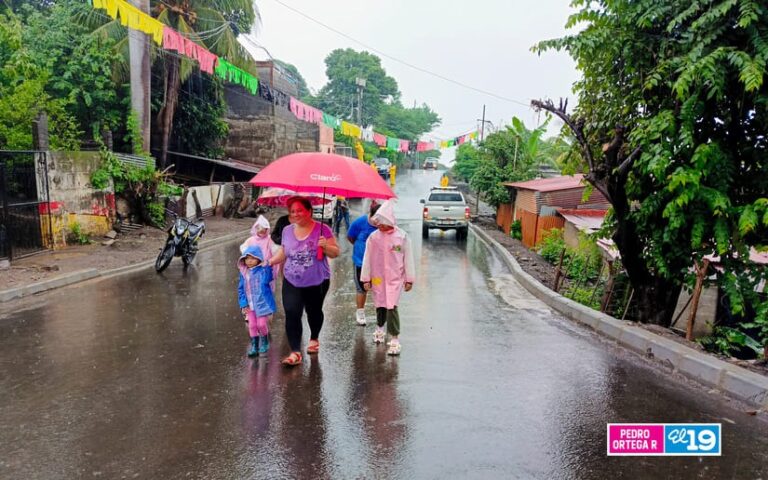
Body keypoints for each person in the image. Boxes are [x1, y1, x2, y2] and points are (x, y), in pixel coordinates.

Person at [267, 197, 340, 366]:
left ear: (309, 211)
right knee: (292, 312)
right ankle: (295, 352)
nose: (296, 214)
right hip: (291, 279)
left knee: (314, 312)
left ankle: (314, 338)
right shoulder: (286, 231)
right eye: (292, 211)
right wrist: (269, 261)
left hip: (317, 280)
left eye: (300, 210)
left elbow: (335, 253)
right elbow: (283, 253)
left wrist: (325, 247)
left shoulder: (323, 229)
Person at [360, 200, 415, 356]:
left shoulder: (401, 237)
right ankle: (379, 328)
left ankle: (395, 337)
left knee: (392, 306)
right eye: (378, 223)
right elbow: (367, 258)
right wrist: (366, 278)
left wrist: (409, 279)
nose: (380, 226)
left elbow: (408, 258)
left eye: (382, 222)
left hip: (395, 278)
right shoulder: (374, 237)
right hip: (377, 277)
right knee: (380, 303)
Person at [346, 201, 382, 325]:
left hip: (378, 265)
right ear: (371, 215)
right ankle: (360, 313)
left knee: (378, 287)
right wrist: (360, 248)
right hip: (361, 263)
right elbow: (351, 237)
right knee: (361, 289)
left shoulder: (384, 225)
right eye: (376, 218)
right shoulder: (360, 222)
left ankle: (381, 315)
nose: (378, 222)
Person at [237, 245, 276, 357]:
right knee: (252, 326)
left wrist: (267, 266)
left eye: (252, 258)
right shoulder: (244, 273)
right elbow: (241, 289)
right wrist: (243, 303)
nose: (249, 261)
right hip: (249, 304)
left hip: (261, 303)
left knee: (261, 324)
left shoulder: (263, 271)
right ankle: (254, 346)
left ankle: (264, 341)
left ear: (258, 258)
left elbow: (269, 279)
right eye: (247, 258)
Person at [240, 215, 279, 289]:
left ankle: (265, 300)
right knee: (254, 287)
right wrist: (250, 257)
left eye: (264, 228)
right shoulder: (251, 240)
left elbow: (276, 251)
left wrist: (270, 261)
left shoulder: (270, 240)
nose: (261, 230)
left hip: (266, 268)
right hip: (254, 268)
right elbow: (244, 248)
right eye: (258, 228)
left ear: (267, 229)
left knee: (266, 287)